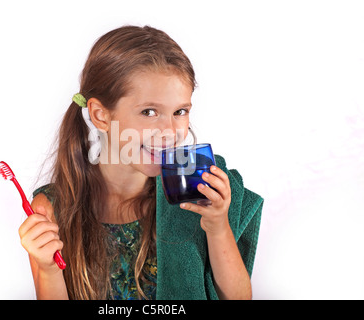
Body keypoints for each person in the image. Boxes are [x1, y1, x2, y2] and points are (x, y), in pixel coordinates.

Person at [18, 25, 253, 300]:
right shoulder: (53, 209)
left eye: (180, 111)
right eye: (149, 112)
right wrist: (48, 270)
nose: (169, 131)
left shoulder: (198, 187)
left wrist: (218, 226)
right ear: (100, 115)